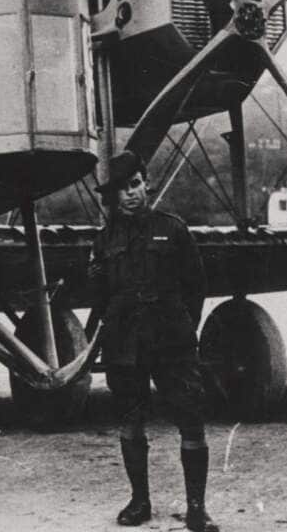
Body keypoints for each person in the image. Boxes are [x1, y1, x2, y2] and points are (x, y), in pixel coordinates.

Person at [87, 150, 217, 532]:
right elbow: (99, 296)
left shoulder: (173, 230)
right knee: (131, 421)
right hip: (125, 345)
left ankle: (197, 508)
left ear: (147, 183)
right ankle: (139, 502)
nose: (130, 194)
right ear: (112, 197)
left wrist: (184, 330)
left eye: (135, 184)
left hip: (172, 343)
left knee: (190, 419)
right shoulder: (104, 240)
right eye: (121, 189)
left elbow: (196, 286)